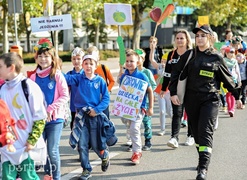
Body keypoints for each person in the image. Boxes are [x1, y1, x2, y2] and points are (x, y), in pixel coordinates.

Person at [168, 25, 242, 180]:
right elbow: (175, 73)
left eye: (203, 35)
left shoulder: (216, 57)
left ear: (210, 38)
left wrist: (238, 97)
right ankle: (202, 157)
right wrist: (173, 93)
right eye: (197, 36)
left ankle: (203, 168)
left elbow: (227, 79)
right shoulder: (189, 55)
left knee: (205, 131)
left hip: (210, 99)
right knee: (196, 134)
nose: (199, 38)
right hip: (191, 99)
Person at [0, 52, 47, 179]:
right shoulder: (2, 89)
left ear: (11, 67)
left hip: (26, 147)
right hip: (8, 148)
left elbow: (41, 117)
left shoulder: (29, 87)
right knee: (7, 177)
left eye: (0, 66)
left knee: (28, 177)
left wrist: (32, 140)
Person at [65, 54, 111, 180]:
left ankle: (104, 156)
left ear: (96, 66)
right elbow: (65, 79)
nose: (88, 66)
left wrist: (96, 110)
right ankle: (86, 169)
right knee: (82, 145)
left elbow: (106, 98)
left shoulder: (100, 81)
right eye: (86, 63)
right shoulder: (78, 78)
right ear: (82, 65)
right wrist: (55, 67)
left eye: (91, 64)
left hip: (95, 116)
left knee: (96, 145)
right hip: (81, 117)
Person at [30, 38, 69, 180]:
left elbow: (65, 95)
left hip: (55, 119)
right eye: (40, 56)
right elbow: (31, 98)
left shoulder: (57, 75)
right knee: (41, 150)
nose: (43, 59)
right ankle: (48, 173)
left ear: (52, 58)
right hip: (39, 120)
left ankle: (57, 176)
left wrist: (50, 109)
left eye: (46, 56)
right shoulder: (33, 77)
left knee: (52, 150)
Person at [160, 29, 194, 148]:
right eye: (177, 38)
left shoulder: (192, 53)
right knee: (177, 113)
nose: (179, 40)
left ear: (187, 40)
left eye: (182, 38)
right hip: (176, 89)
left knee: (190, 112)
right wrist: (164, 88)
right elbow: (167, 73)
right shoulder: (171, 54)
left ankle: (191, 136)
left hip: (191, 88)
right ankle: (174, 138)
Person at [119, 49, 154, 164]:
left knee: (134, 128)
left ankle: (137, 152)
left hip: (139, 108)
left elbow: (150, 91)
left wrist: (150, 107)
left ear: (138, 62)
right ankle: (135, 146)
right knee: (129, 126)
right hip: (127, 108)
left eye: (132, 61)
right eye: (127, 61)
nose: (129, 63)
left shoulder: (142, 76)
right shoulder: (124, 75)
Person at [136, 48, 156, 151]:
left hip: (145, 103)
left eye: (139, 58)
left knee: (146, 122)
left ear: (143, 59)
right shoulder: (130, 72)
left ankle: (148, 140)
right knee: (134, 124)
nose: (137, 60)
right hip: (133, 103)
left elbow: (153, 85)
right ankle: (135, 141)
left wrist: (146, 91)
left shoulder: (147, 72)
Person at [149, 47, 173, 136]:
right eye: (163, 60)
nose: (163, 62)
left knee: (169, 111)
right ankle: (162, 129)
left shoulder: (172, 68)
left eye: (165, 61)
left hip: (169, 92)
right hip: (160, 92)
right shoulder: (159, 66)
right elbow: (151, 59)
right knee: (162, 111)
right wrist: (152, 48)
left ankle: (177, 122)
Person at [87, 46, 115, 119]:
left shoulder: (104, 68)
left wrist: (106, 91)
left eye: (95, 56)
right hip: (92, 98)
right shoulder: (86, 70)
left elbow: (112, 81)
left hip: (103, 98)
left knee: (105, 117)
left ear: (98, 57)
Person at [66, 47, 85, 130]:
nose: (76, 61)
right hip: (73, 107)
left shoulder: (86, 73)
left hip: (85, 106)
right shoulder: (69, 74)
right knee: (74, 129)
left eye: (78, 59)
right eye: (74, 59)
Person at [223, 47, 241, 117]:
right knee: (227, 94)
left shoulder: (235, 61)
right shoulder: (223, 60)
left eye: (232, 53)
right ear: (226, 53)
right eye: (230, 53)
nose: (231, 54)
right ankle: (229, 108)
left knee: (233, 95)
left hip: (234, 80)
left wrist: (239, 80)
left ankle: (232, 109)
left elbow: (237, 71)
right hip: (226, 79)